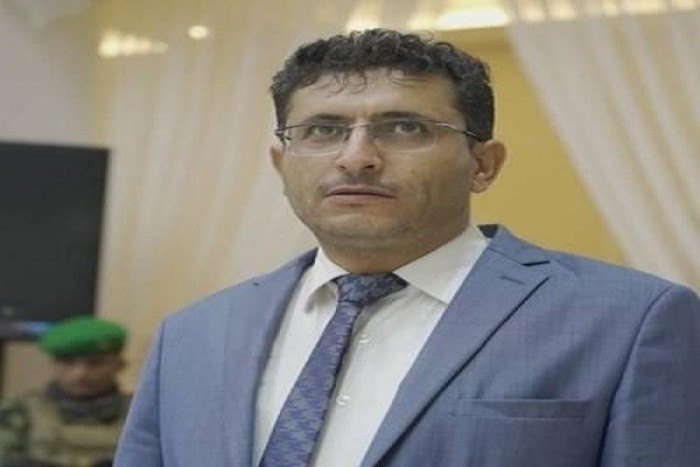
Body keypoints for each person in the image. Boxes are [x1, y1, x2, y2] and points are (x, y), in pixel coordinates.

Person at [114, 29, 700, 467]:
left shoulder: (629, 323)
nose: (356, 158)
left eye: (404, 128)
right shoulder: (194, 334)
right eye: (323, 130)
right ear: (281, 164)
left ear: (483, 164)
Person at [0, 316, 130, 467]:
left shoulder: (138, 414)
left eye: (95, 363)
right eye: (68, 363)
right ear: (52, 365)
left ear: (119, 365)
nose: (80, 374)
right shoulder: (19, 411)